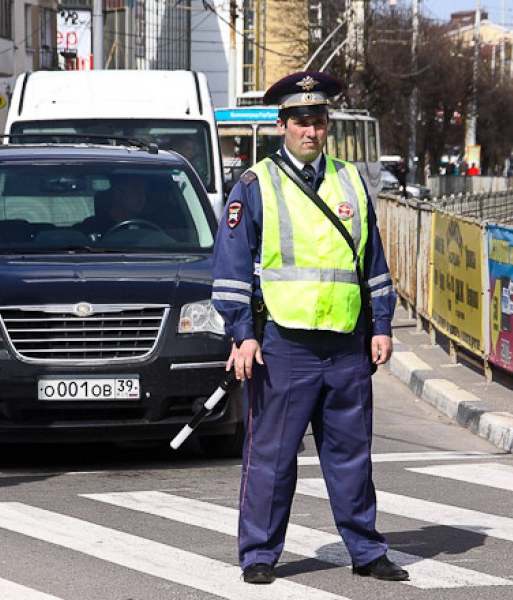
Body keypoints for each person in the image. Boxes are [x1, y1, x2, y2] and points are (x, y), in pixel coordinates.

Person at [211, 71, 405, 585]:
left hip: (346, 346)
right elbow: (231, 269)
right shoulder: (255, 185)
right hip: (284, 345)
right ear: (282, 126)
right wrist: (242, 334)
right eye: (301, 122)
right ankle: (258, 555)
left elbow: (373, 263)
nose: (311, 131)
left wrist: (380, 326)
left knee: (351, 458)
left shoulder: (350, 180)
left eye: (318, 122)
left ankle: (366, 551)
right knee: (271, 461)